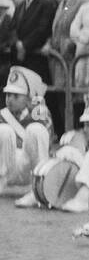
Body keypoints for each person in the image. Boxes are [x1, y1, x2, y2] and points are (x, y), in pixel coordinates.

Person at [1, 66, 53, 199]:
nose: (10, 99)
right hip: (7, 168)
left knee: (35, 129)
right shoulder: (3, 115)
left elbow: (47, 143)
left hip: (28, 170)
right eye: (8, 95)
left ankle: (41, 186)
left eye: (16, 96)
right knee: (4, 131)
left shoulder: (40, 114)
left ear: (29, 97)